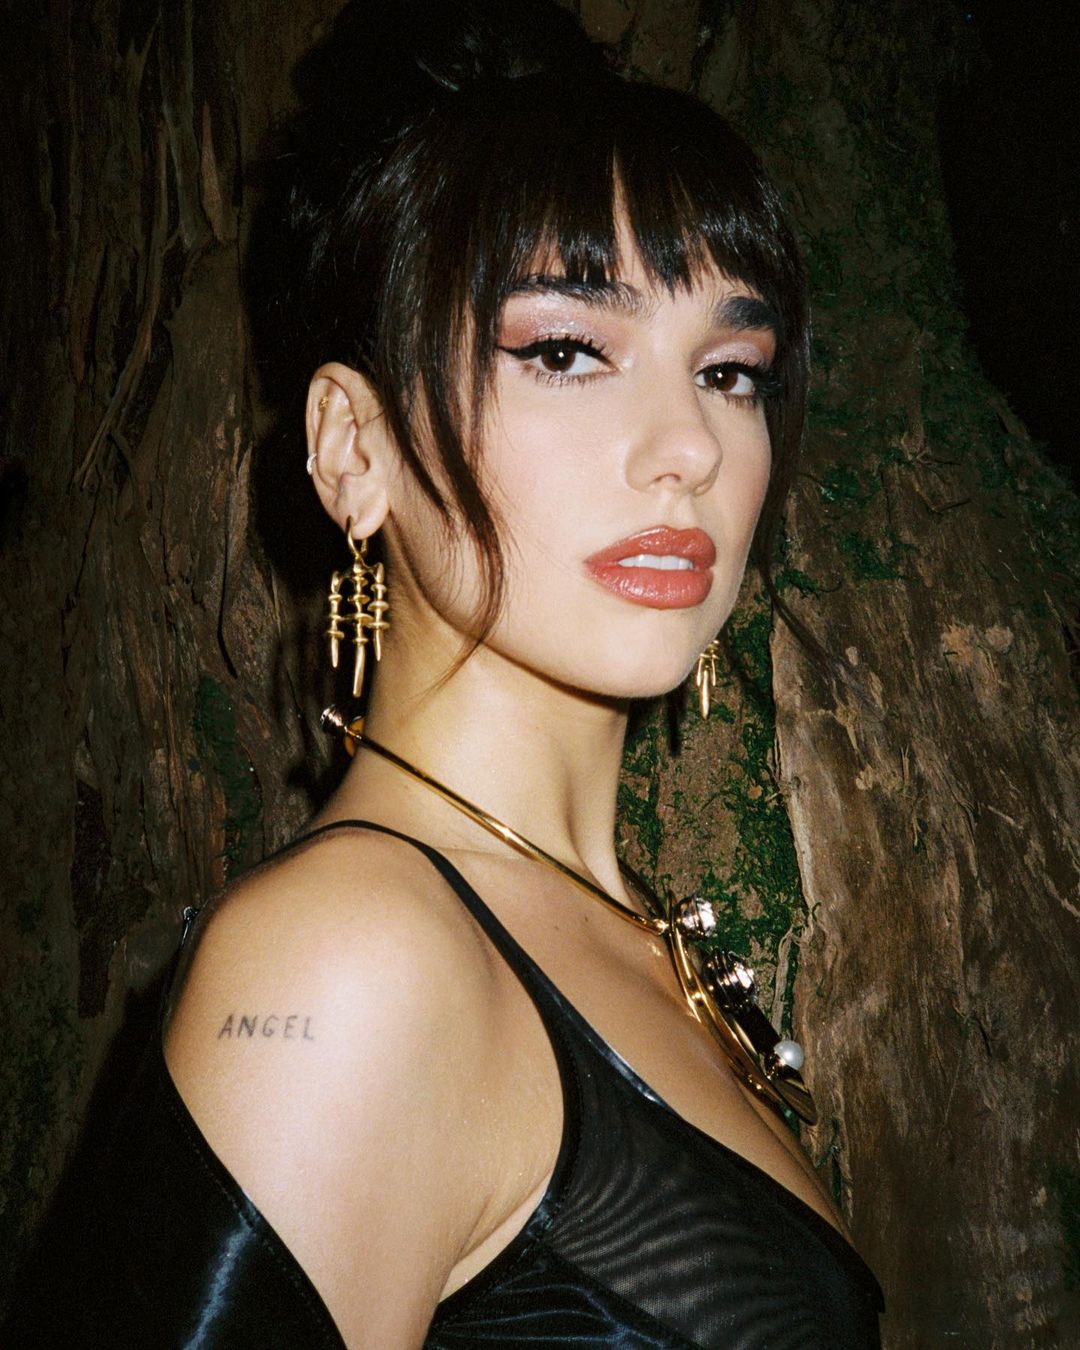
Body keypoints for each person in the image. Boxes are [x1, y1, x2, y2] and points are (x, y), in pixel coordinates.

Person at [14, 1, 884, 1345]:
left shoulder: (642, 936)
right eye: (565, 351)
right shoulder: (348, 961)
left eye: (730, 370)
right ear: (352, 449)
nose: (692, 448)